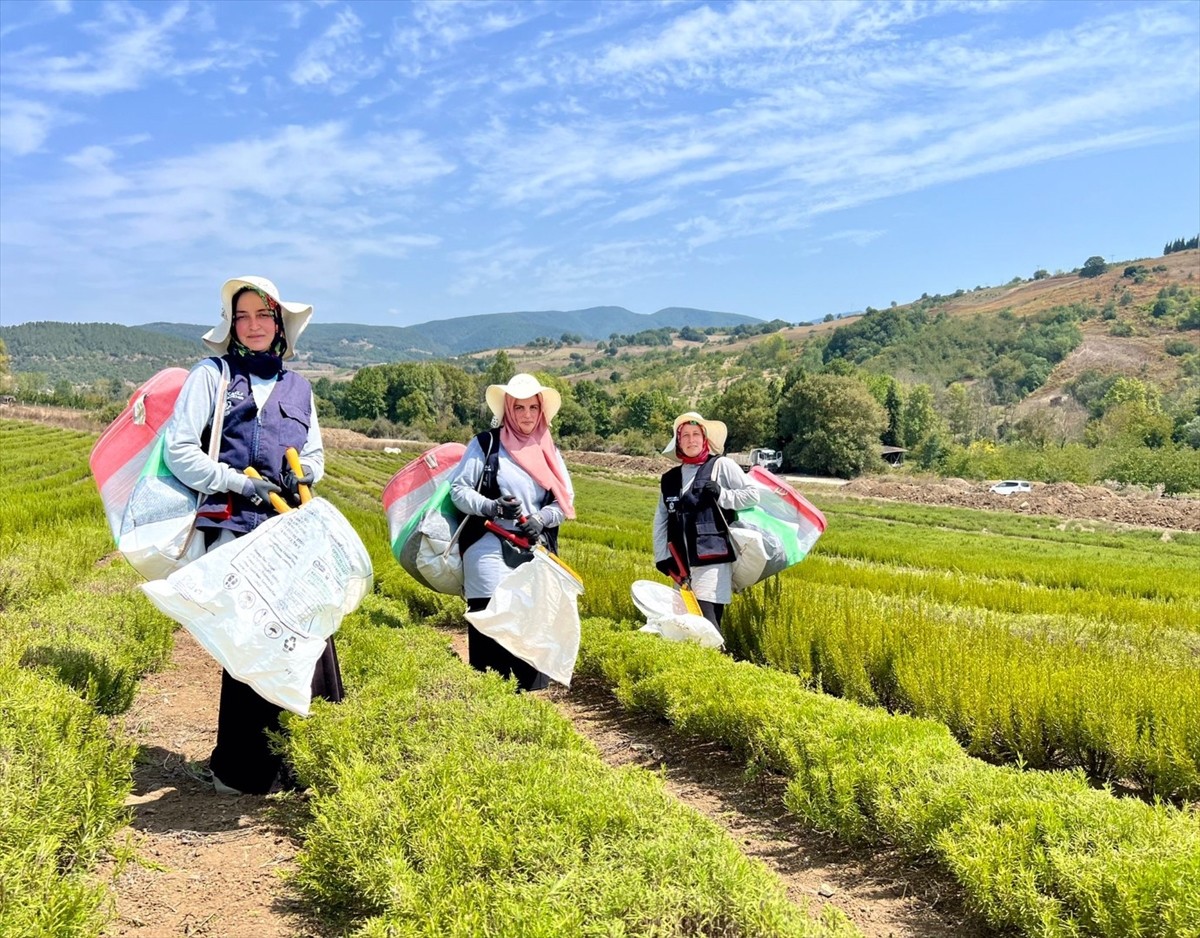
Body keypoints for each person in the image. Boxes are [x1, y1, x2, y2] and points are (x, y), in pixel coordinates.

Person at [162, 275, 343, 795]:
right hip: (234, 525)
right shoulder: (212, 376)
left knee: (306, 635)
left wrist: (305, 475)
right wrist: (238, 482)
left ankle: (304, 763)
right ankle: (243, 770)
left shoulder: (299, 387)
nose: (255, 325)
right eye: (244, 316)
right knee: (248, 644)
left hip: (289, 527)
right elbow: (181, 450)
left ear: (280, 324)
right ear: (233, 325)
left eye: (264, 315)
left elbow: (314, 454)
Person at [450, 373, 575, 691]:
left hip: (531, 551)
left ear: (541, 410)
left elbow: (565, 501)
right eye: (519, 408)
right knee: (493, 629)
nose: (527, 415)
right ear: (508, 409)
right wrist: (492, 507)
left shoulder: (549, 451)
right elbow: (459, 491)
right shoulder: (485, 444)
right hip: (489, 547)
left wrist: (542, 519)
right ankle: (490, 704)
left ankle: (526, 706)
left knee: (529, 633)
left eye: (533, 407)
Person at [653, 412, 759, 634]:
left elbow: (752, 496)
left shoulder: (721, 466)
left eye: (696, 435)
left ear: (704, 439)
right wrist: (662, 557)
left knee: (707, 623)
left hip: (712, 560)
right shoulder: (670, 478)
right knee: (683, 623)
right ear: (678, 441)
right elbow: (661, 518)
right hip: (681, 563)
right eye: (685, 436)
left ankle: (718, 664)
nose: (691, 440)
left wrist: (722, 494)